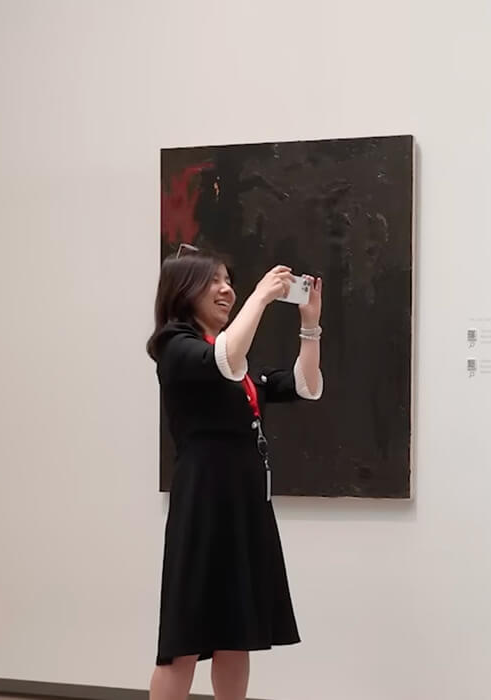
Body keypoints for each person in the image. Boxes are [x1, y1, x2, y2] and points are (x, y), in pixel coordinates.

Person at [145, 245, 323, 700]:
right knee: (183, 642)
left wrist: (310, 325)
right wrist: (261, 296)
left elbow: (306, 386)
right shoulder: (174, 346)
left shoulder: (235, 362)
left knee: (235, 633)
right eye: (214, 281)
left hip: (242, 506)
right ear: (184, 290)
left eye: (229, 281)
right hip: (202, 504)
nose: (226, 290)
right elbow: (222, 361)